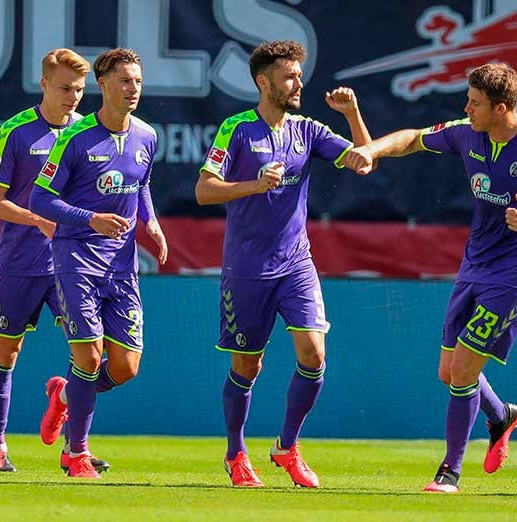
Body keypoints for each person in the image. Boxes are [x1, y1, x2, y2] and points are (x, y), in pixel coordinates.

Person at [350, 62, 517, 493]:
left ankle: (450, 472)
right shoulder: (468, 132)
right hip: (474, 267)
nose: (467, 108)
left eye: (475, 103)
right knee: (449, 372)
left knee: (462, 371)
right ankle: (501, 416)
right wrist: (373, 151)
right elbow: (412, 138)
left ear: (502, 108)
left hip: (514, 278)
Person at [195, 40, 371, 488]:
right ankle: (236, 453)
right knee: (247, 368)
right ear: (263, 81)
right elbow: (204, 191)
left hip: (296, 263)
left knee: (314, 354)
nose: (298, 83)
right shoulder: (236, 129)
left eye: (299, 74)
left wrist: (351, 115)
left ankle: (287, 446)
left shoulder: (308, 130)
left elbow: (363, 161)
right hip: (246, 270)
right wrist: (252, 185)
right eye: (289, 76)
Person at [29, 48, 168, 479]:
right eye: (125, 81)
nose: (133, 90)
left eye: (138, 82)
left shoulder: (147, 136)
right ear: (103, 85)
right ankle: (77, 454)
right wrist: (90, 218)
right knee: (89, 357)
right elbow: (39, 199)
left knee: (125, 368)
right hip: (76, 261)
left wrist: (153, 223)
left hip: (122, 267)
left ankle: (65, 397)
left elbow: (141, 183)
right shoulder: (74, 138)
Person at [0, 48, 104, 473]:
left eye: (78, 89)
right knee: (6, 351)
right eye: (64, 88)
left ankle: (77, 450)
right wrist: (39, 220)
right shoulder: (16, 132)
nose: (73, 96)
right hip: (19, 261)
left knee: (90, 356)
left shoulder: (87, 132)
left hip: (72, 263)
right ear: (43, 85)